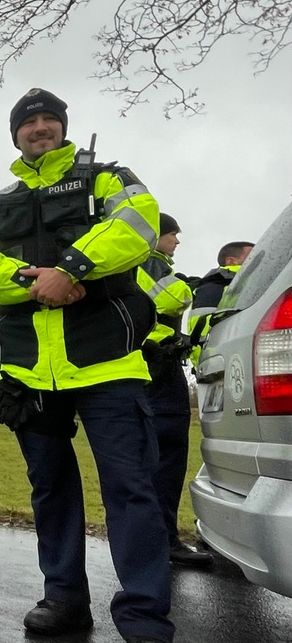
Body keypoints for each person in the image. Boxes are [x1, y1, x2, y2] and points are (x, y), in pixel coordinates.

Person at [0, 88, 177, 643]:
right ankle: (63, 597)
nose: (39, 128)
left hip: (107, 364)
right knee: (50, 488)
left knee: (131, 490)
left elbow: (137, 225)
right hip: (30, 371)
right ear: (15, 134)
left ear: (62, 126)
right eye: (29, 122)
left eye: (48, 119)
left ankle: (144, 622)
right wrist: (40, 284)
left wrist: (71, 268)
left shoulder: (108, 178)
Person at [135, 214, 212, 566]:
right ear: (156, 237)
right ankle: (164, 542)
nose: (177, 241)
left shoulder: (141, 264)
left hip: (148, 370)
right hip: (159, 371)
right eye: (172, 234)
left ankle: (152, 541)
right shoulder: (150, 262)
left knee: (154, 460)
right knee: (166, 460)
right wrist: (190, 286)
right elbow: (165, 299)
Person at [188, 240, 254, 367]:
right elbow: (204, 332)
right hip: (227, 362)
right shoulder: (216, 286)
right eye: (252, 256)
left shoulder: (220, 284)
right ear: (231, 261)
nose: (258, 259)